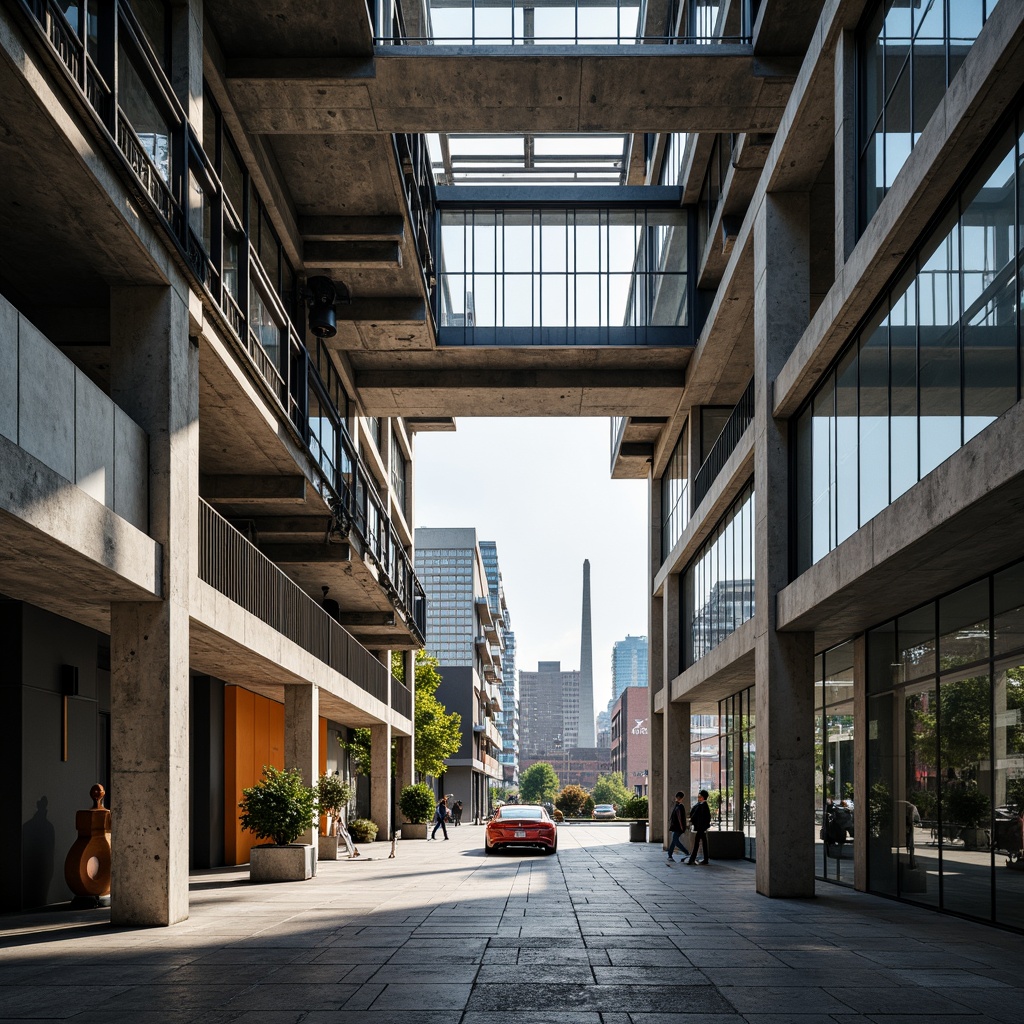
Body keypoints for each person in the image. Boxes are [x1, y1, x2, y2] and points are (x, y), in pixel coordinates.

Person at [687, 789, 711, 865]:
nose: (698, 797)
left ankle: (692, 859)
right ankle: (704, 859)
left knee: (697, 843)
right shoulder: (701, 805)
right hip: (701, 827)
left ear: (703, 797)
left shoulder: (703, 806)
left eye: (699, 796)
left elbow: (704, 817)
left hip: (701, 827)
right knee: (703, 843)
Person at [666, 791, 688, 865]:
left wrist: (682, 828)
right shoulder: (678, 805)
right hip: (676, 827)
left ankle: (685, 852)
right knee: (675, 841)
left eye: (678, 798)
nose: (678, 799)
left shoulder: (680, 806)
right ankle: (670, 855)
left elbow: (680, 818)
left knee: (675, 841)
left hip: (678, 828)